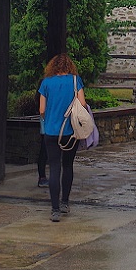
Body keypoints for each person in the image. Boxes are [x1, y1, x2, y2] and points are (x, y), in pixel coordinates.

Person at [37, 52, 87, 222]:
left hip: (51, 131)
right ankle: (65, 202)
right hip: (71, 132)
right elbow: (82, 104)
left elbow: (41, 110)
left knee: (54, 168)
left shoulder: (46, 83)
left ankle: (55, 210)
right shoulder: (75, 80)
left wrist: (50, 118)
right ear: (69, 66)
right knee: (67, 165)